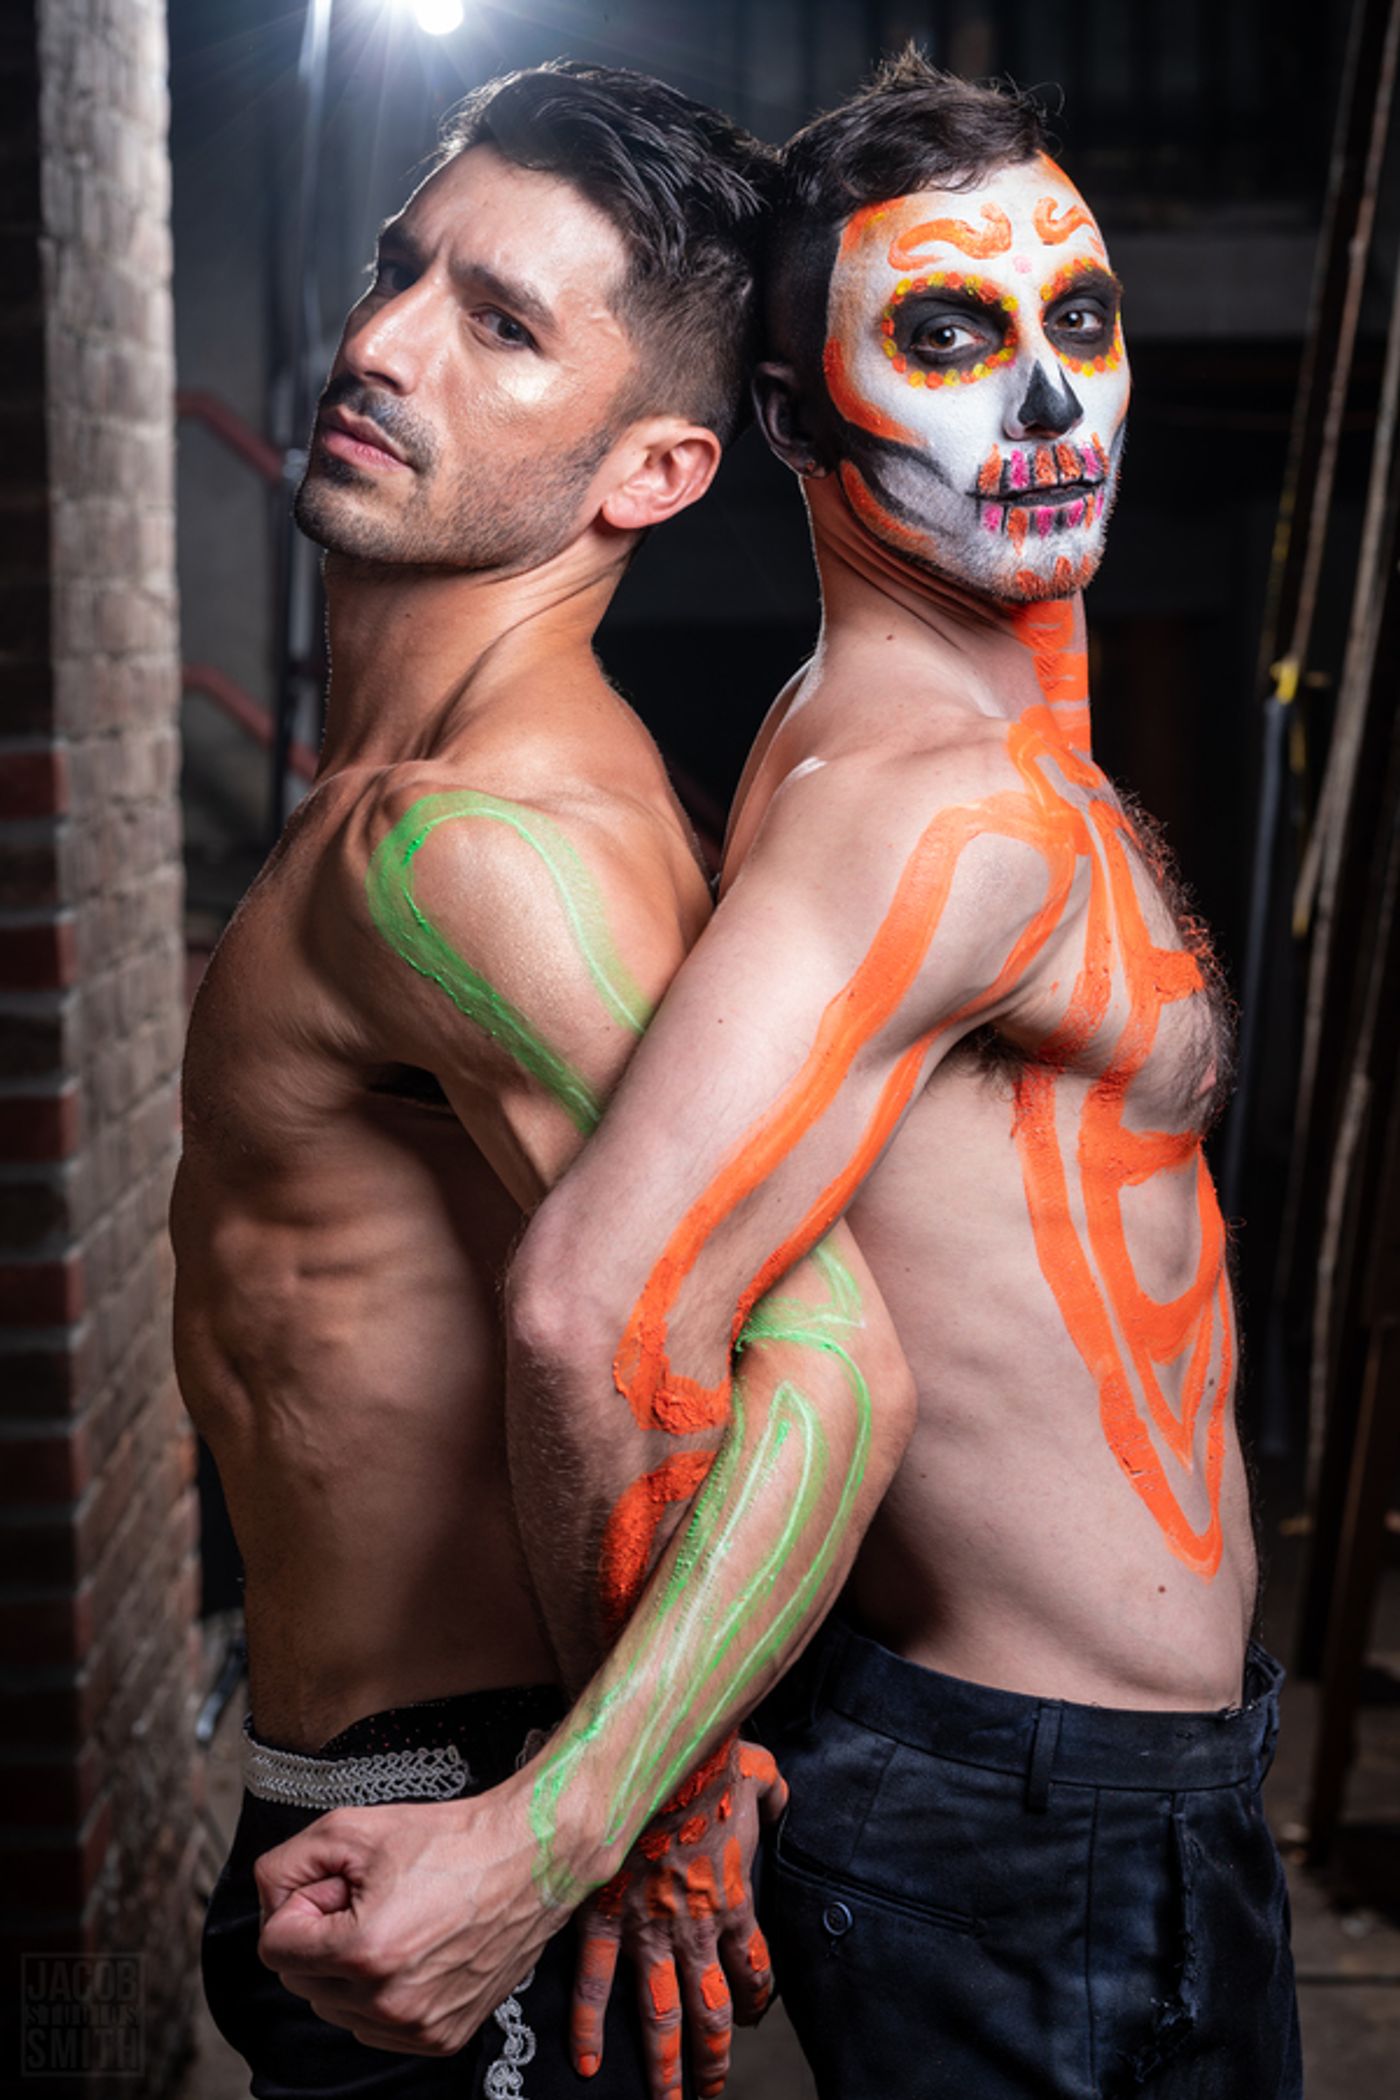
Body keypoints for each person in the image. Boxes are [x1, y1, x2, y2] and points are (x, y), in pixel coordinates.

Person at [495, 53, 1300, 2099]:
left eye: (1079, 322)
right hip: (1028, 1829)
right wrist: (637, 1803)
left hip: (1091, 1802)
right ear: (787, 417)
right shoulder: (916, 806)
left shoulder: (938, 735)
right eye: (946, 337)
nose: (1047, 404)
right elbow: (602, 1308)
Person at [176, 61, 913, 2100]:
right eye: (399, 269)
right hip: (384, 1787)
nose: (383, 344)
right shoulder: (424, 811)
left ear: (651, 473)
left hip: (448, 1814)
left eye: (501, 325)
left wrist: (567, 1830)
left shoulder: (475, 853)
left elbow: (834, 1371)